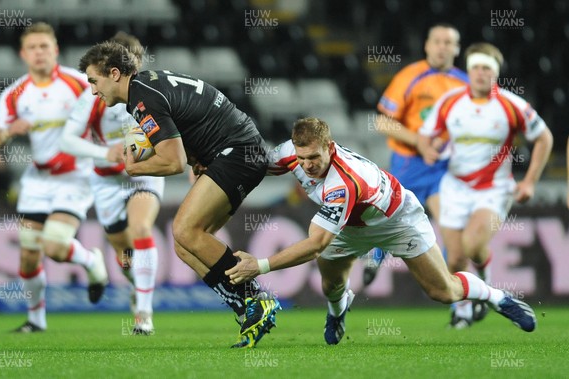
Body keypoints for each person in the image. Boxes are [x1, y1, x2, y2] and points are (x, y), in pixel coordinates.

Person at [226, 117, 537, 345]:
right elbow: (254, 165)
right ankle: (338, 309)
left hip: (397, 221)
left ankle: (499, 299)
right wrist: (212, 165)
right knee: (331, 285)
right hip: (350, 225)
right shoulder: (291, 153)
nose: (307, 166)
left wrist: (261, 266)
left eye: (314, 158)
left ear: (330, 148)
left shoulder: (343, 182)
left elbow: (316, 244)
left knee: (443, 291)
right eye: (302, 158)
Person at [78, 41, 280, 347]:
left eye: (94, 81)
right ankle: (245, 307)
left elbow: (171, 161)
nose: (93, 90)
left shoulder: (142, 98)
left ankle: (257, 299)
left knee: (185, 229)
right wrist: (198, 154)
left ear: (115, 73)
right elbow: (190, 125)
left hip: (237, 152)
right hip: (236, 151)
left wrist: (134, 169)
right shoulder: (149, 86)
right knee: (184, 245)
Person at [417, 42, 553, 328]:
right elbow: (425, 135)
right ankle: (465, 311)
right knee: (453, 259)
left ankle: (487, 281)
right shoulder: (450, 102)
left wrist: (529, 181)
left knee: (472, 244)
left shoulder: (510, 104)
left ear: (496, 73)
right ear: (469, 71)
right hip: (454, 186)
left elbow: (544, 138)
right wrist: (428, 149)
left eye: (487, 68)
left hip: (494, 189)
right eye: (476, 67)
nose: (481, 73)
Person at [0, 22, 108, 333]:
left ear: (55, 49)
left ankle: (92, 261)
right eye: (32, 47)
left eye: (44, 46)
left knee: (54, 247)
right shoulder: (16, 93)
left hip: (76, 176)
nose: (39, 52)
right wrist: (9, 131)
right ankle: (36, 320)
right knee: (28, 255)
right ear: (22, 53)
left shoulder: (79, 82)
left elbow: (111, 110)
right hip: (38, 180)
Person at [60, 32, 163, 335]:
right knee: (125, 257)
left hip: (143, 174)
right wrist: (104, 152)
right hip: (106, 181)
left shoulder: (153, 91)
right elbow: (66, 140)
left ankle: (144, 313)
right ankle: (137, 286)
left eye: (138, 61)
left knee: (141, 228)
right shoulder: (93, 96)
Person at [366, 23, 468, 286]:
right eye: (437, 41)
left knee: (452, 231)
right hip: (408, 164)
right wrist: (419, 141)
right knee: (389, 218)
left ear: (457, 48)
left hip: (443, 169)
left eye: (448, 42)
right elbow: (382, 122)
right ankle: (376, 256)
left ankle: (457, 302)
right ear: (426, 45)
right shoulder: (410, 75)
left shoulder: (465, 83)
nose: (442, 47)